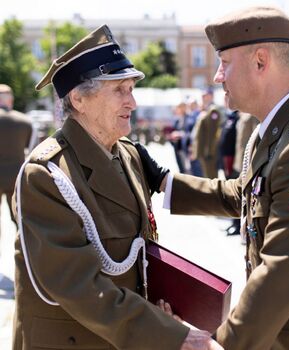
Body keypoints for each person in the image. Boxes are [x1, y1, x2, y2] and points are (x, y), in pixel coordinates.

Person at [137, 6, 289, 349]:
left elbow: (283, 270)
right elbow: (246, 194)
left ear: (260, 61)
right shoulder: (276, 128)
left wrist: (219, 344)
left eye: (224, 63)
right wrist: (165, 183)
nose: (217, 76)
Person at [12, 25, 221, 350]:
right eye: (120, 90)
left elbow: (135, 255)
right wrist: (169, 335)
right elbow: (78, 286)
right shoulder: (45, 174)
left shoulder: (127, 154)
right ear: (79, 99)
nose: (133, 102)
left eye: (132, 89)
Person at [0, 84, 32, 226]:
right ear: (10, 100)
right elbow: (31, 150)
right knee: (18, 217)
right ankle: (21, 247)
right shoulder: (25, 121)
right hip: (16, 176)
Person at [191, 88, 222, 178]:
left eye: (205, 95)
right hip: (204, 150)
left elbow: (212, 133)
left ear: (211, 96)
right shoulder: (205, 109)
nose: (203, 97)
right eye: (202, 96)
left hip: (208, 152)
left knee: (211, 177)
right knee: (206, 176)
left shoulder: (213, 110)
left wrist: (209, 151)